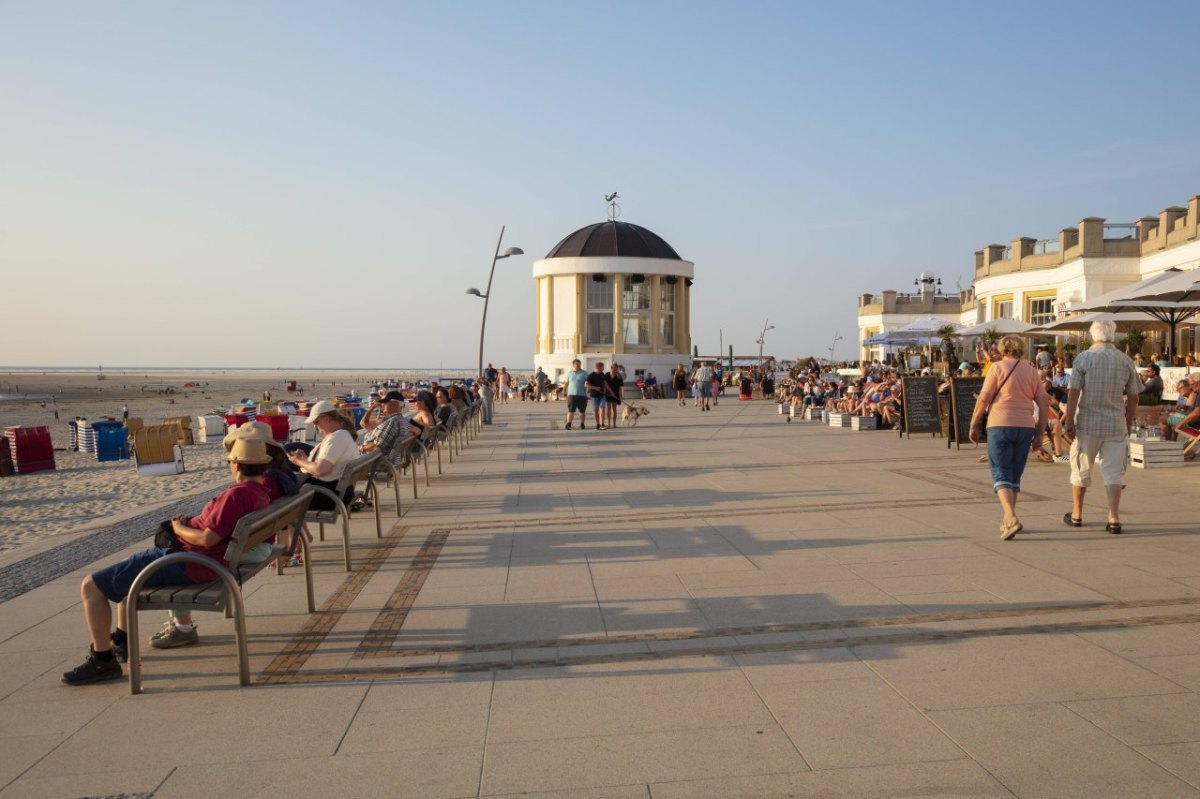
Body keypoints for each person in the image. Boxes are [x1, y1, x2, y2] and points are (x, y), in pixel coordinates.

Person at [62, 435, 273, 685]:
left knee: (91, 586)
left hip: (191, 563)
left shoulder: (238, 495)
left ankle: (102, 659)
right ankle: (121, 641)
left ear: (235, 465)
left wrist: (178, 527)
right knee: (130, 571)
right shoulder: (260, 493)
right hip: (199, 560)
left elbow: (208, 539)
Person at [150, 423, 301, 648]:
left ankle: (182, 626)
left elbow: (212, 539)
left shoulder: (262, 483)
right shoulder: (278, 475)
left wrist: (182, 528)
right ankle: (181, 623)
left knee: (178, 553)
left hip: (246, 548)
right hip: (254, 543)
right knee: (178, 549)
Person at [1062, 318, 1143, 534]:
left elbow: (1073, 392)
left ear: (1093, 335)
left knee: (1081, 468)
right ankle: (1114, 518)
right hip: (1115, 423)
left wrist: (1069, 421)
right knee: (1114, 472)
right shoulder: (1125, 360)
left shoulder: (1084, 358)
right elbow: (1134, 396)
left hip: (1087, 423)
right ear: (1112, 336)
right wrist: (1127, 420)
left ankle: (1077, 514)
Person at [968, 335, 1049, 541]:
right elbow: (1043, 402)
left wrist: (974, 422)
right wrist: (1040, 432)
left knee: (1000, 472)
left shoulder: (997, 367)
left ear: (1002, 349)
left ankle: (1011, 518)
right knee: (1014, 476)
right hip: (1024, 426)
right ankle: (1007, 521)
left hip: (1000, 423)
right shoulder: (1031, 371)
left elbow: (985, 397)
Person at [288, 400, 359, 510]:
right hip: (337, 491)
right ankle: (296, 528)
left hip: (328, 496)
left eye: (316, 422)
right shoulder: (343, 434)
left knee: (281, 502)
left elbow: (321, 470)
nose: (315, 427)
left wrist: (299, 462)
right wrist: (306, 461)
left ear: (327, 418)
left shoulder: (336, 438)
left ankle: (294, 527)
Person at [564, 359, 589, 430]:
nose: (578, 366)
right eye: (576, 364)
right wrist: (564, 391)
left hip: (582, 395)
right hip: (571, 395)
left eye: (579, 364)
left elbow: (588, 382)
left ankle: (582, 424)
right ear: (573, 365)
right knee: (571, 410)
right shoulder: (570, 373)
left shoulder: (585, 373)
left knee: (582, 411)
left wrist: (587, 388)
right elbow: (567, 383)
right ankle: (569, 424)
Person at [585, 362, 609, 429]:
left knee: (603, 408)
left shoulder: (602, 374)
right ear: (598, 367)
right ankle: (598, 424)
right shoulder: (591, 375)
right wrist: (595, 388)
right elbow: (586, 385)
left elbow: (604, 383)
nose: (603, 369)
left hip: (602, 395)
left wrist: (608, 390)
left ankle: (602, 423)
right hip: (594, 396)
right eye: (602, 367)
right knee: (596, 410)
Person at [604, 363, 624, 429]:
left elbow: (620, 387)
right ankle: (609, 423)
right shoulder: (607, 374)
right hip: (608, 394)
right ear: (611, 368)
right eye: (614, 368)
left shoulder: (619, 376)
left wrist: (621, 396)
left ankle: (614, 424)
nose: (615, 370)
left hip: (616, 394)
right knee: (608, 408)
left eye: (616, 369)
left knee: (614, 409)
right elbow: (604, 383)